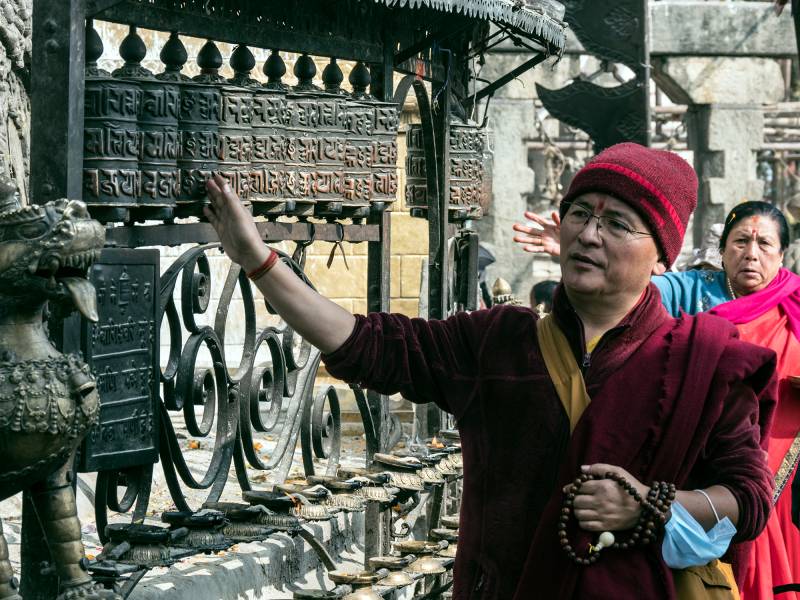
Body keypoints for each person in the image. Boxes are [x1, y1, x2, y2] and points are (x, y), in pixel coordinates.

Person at [203, 142, 776, 600]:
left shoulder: (704, 362)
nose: (589, 233)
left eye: (618, 223)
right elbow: (369, 344)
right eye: (580, 213)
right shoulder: (500, 342)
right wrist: (259, 260)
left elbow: (749, 496)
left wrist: (652, 505)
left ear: (661, 254)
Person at [514, 200, 800, 599]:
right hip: (700, 464)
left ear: (782, 254)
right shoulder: (691, 289)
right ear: (722, 250)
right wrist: (592, 257)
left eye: (765, 244)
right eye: (740, 242)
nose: (751, 253)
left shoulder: (795, 305)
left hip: (785, 464)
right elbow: (637, 286)